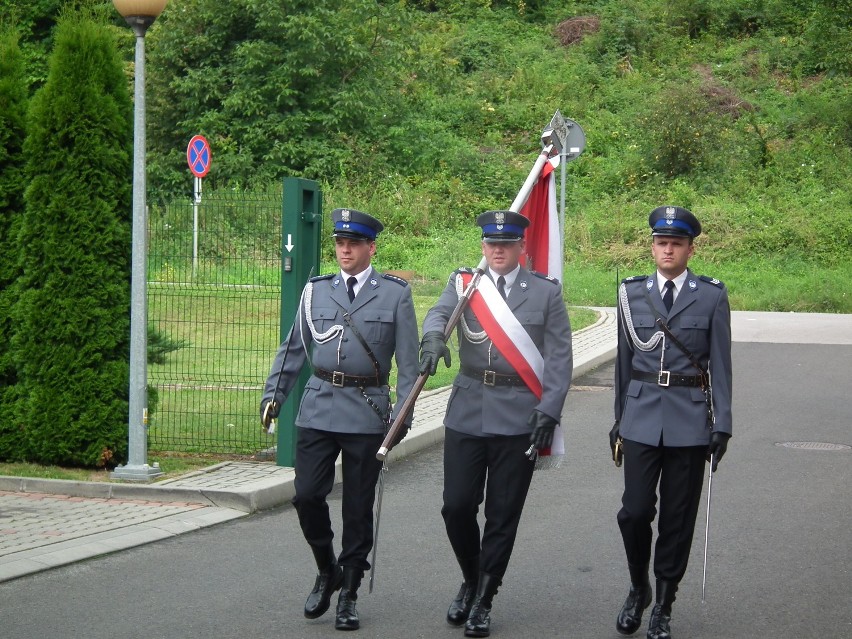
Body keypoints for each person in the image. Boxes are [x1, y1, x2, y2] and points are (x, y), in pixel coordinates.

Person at [260, 207, 419, 631]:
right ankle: (326, 567)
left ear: (371, 247)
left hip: (367, 410)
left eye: (352, 243)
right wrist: (274, 393)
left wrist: (403, 412)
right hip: (318, 405)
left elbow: (407, 364)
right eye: (339, 243)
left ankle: (348, 591)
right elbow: (294, 347)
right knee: (307, 495)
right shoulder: (316, 291)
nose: (344, 250)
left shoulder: (395, 294)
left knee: (357, 508)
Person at [419, 210, 573, 638]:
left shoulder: (545, 293)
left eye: (506, 245)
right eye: (491, 245)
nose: (498, 251)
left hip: (520, 416)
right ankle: (471, 577)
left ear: (522, 247)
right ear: (483, 247)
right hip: (468, 410)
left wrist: (550, 410)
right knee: (457, 506)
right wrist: (432, 337)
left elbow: (560, 357)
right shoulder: (466, 285)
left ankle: (484, 597)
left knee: (503, 515)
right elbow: (438, 314)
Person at [610, 206, 733, 639]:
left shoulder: (712, 295)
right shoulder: (630, 292)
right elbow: (624, 362)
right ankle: (638, 586)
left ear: (689, 248)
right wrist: (618, 417)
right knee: (634, 512)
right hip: (641, 416)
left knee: (677, 518)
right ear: (652, 246)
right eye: (661, 242)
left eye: (676, 243)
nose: (668, 249)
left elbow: (721, 364)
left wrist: (723, 424)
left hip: (690, 419)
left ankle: (663, 603)